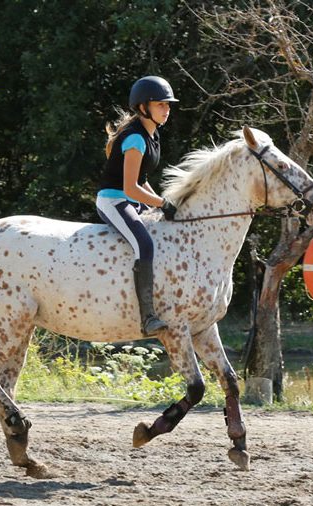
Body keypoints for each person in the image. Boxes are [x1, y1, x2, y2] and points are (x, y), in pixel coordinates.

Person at [96, 75, 178, 336]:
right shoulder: (136, 139)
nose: (167, 109)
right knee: (144, 243)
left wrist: (162, 205)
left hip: (130, 199)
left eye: (168, 105)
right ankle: (148, 317)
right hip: (113, 199)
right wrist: (162, 203)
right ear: (144, 107)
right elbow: (130, 188)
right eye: (161, 105)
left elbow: (142, 181)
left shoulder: (151, 135)